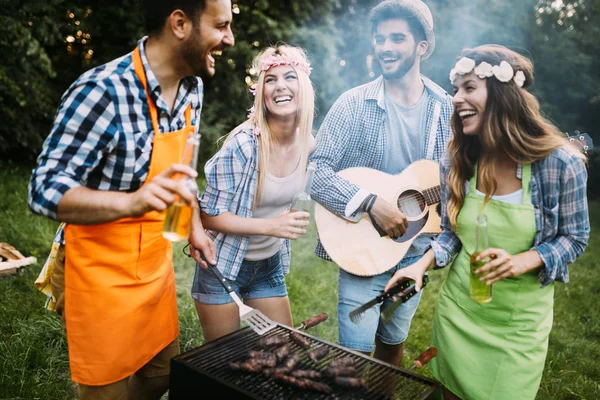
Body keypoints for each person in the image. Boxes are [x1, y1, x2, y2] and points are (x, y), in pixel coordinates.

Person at [27, 0, 234, 398]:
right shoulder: (103, 91)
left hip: (155, 266)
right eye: (221, 26)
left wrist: (193, 228)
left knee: (161, 375)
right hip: (99, 271)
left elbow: (183, 175)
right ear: (179, 24)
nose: (229, 39)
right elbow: (43, 188)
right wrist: (132, 203)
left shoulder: (193, 90)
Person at [384, 44, 590, 399]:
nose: (455, 99)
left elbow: (575, 237)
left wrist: (524, 260)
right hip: (459, 313)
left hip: (517, 326)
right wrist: (420, 265)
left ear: (501, 93)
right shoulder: (459, 160)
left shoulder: (559, 165)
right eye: (455, 90)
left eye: (468, 87)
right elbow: (452, 235)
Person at [309, 0, 453, 367]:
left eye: (397, 39)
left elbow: (461, 178)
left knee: (392, 341)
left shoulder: (447, 109)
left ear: (422, 46)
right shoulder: (353, 104)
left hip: (416, 253)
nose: (385, 47)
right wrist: (371, 202)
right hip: (362, 248)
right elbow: (316, 171)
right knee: (355, 356)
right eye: (380, 38)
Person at [189, 44, 316, 342]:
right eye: (270, 79)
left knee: (281, 351)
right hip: (223, 266)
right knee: (223, 364)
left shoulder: (308, 144)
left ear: (304, 86)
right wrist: (271, 226)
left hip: (268, 266)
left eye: (290, 76)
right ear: (260, 91)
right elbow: (207, 216)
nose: (279, 86)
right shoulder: (244, 145)